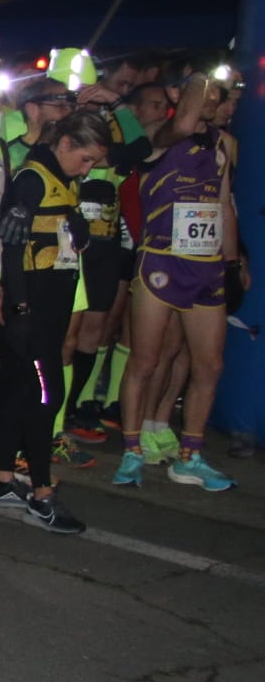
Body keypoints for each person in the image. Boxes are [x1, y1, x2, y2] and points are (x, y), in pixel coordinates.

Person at [113, 73, 243, 492]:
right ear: (176, 94)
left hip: (204, 265)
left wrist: (230, 261)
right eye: (203, 93)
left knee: (210, 364)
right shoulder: (160, 134)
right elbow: (185, 123)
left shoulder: (225, 144)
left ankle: (191, 456)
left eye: (216, 96)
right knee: (146, 361)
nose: (211, 100)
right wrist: (199, 79)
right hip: (161, 261)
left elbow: (224, 204)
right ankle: (132, 451)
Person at [0, 109, 111, 532]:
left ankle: (2, 478)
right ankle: (41, 493)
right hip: (33, 308)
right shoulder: (34, 178)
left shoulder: (63, 177)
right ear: (67, 144)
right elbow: (13, 248)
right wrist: (18, 308)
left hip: (51, 305)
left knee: (19, 391)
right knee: (45, 395)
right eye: (86, 158)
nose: (88, 168)